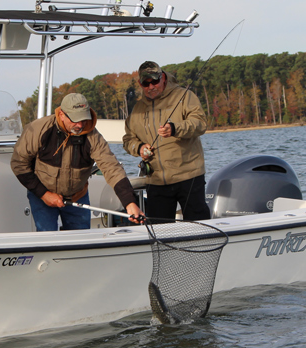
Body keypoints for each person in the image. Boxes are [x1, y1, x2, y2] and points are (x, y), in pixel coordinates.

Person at [12, 93, 145, 231]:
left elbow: (112, 168)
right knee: (47, 237)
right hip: (42, 196)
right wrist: (44, 194)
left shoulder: (93, 137)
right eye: (75, 119)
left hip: (77, 197)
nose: (80, 125)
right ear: (62, 115)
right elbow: (18, 164)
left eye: (84, 119)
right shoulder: (38, 129)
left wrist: (129, 202)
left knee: (81, 237)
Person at [123, 60, 210, 221]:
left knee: (199, 226)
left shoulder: (184, 96)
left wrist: (175, 129)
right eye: (146, 83)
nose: (151, 86)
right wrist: (139, 147)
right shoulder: (137, 109)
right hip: (156, 181)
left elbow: (200, 124)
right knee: (159, 229)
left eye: (155, 81)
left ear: (163, 78)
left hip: (189, 176)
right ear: (140, 84)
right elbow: (128, 139)